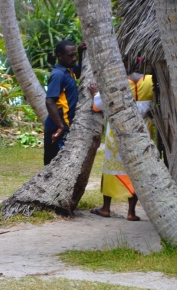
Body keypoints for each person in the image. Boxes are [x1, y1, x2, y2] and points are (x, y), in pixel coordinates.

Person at [88, 61, 153, 221]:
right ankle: (131, 212)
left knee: (112, 167)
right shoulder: (151, 81)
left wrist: (96, 93)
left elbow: (97, 106)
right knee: (137, 170)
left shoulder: (117, 83)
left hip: (117, 131)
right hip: (142, 130)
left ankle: (106, 208)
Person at [44, 40, 87, 165]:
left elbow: (80, 71)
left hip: (66, 125)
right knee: (52, 164)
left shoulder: (69, 70)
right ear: (59, 56)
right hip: (57, 126)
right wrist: (60, 127)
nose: (73, 58)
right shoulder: (58, 74)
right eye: (70, 55)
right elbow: (49, 101)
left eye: (75, 55)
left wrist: (80, 51)